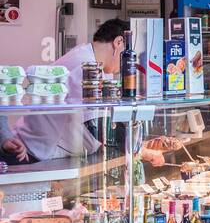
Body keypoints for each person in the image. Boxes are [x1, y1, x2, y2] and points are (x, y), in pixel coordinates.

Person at [9, 18, 130, 163]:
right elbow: (96, 124)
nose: (129, 62)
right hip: (32, 153)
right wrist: (135, 148)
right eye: (128, 53)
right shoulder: (85, 65)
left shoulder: (96, 62)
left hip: (46, 151)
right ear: (118, 42)